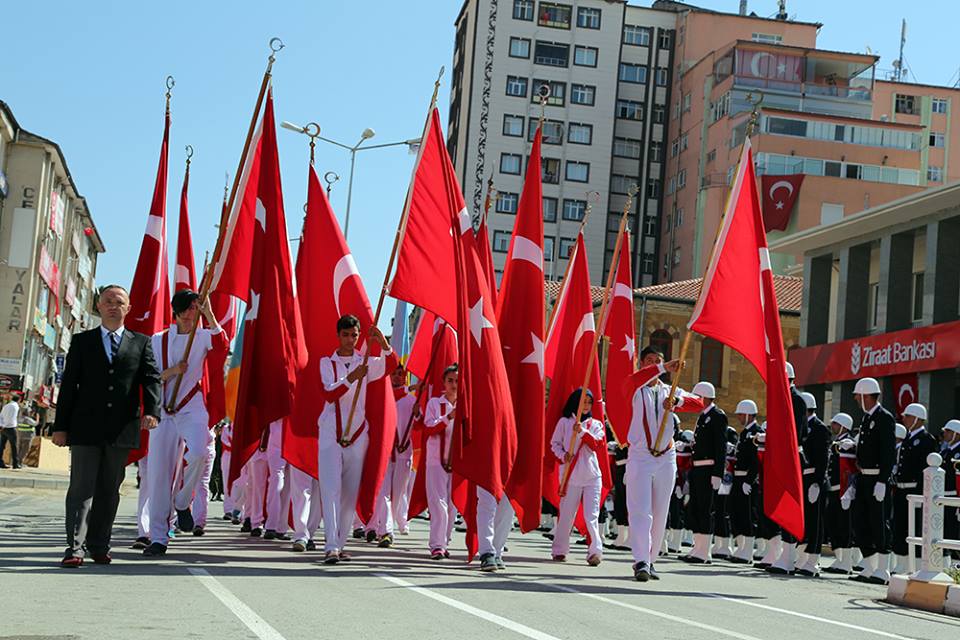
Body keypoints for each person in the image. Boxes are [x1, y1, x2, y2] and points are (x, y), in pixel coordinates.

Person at [52, 285, 162, 567]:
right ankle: (75, 548)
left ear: (129, 308)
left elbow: (150, 378)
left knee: (109, 490)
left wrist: (152, 411)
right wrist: (60, 427)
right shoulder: (82, 341)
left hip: (121, 428)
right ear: (98, 306)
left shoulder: (141, 342)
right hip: (85, 427)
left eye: (119, 302)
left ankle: (99, 545)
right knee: (81, 489)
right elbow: (69, 388)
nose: (113, 306)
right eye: (108, 301)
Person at [142, 290, 226, 556]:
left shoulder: (201, 337)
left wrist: (209, 313)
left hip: (192, 406)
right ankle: (158, 537)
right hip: (163, 412)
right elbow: (149, 376)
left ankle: (182, 501)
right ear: (177, 311)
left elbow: (221, 344)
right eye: (189, 308)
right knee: (159, 474)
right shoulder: (158, 340)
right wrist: (172, 372)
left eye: (195, 308)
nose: (192, 313)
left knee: (201, 451)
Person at [318, 315, 396, 564]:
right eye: (346, 335)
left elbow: (392, 365)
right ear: (338, 335)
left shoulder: (367, 361)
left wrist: (382, 342)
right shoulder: (326, 363)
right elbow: (329, 393)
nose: (350, 340)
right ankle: (330, 545)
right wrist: (352, 378)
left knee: (349, 493)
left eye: (354, 335)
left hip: (358, 433)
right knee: (330, 489)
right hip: (331, 432)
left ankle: (340, 544)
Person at [619, 347, 690, 581]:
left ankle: (651, 560)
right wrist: (663, 366)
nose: (654, 365)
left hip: (666, 457)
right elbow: (633, 379)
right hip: (640, 455)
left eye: (657, 361)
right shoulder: (634, 388)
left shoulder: (670, 390)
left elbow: (698, 403)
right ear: (641, 363)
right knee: (641, 511)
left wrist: (677, 401)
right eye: (649, 361)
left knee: (660, 512)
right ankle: (640, 560)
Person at [550, 388, 606, 567]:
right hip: (570, 475)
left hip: (592, 476)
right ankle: (559, 549)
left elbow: (597, 444)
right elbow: (554, 444)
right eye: (583, 402)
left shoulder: (596, 424)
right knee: (567, 514)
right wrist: (562, 454)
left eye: (589, 403)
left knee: (592, 515)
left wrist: (582, 432)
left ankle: (595, 551)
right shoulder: (564, 422)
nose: (587, 406)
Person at [849, 377, 897, 585]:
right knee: (860, 521)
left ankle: (883, 569)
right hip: (864, 478)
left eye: (858, 396)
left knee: (879, 523)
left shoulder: (884, 417)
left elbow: (887, 452)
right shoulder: (867, 418)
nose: (856, 400)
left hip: (877, 478)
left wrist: (883, 480)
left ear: (865, 395)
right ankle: (869, 565)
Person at [680, 381, 727, 564]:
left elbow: (720, 447)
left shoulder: (717, 416)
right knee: (697, 508)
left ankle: (704, 551)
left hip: (708, 469)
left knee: (706, 509)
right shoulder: (703, 416)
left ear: (704, 398)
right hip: (698, 468)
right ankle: (697, 548)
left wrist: (717, 474)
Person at [890, 404, 937, 574]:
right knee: (900, 527)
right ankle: (901, 563)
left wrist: (921, 493)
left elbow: (923, 469)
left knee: (916, 528)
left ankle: (916, 566)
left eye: (908, 416)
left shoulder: (926, 439)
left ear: (918, 418)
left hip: (916, 490)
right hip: (901, 490)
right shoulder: (908, 438)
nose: (905, 419)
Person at [422, 364, 458, 560]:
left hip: (458, 463)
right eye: (450, 380)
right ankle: (436, 544)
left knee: (452, 505)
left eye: (457, 381)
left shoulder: (466, 405)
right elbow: (428, 429)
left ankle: (445, 540)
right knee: (438, 504)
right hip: (436, 461)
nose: (453, 385)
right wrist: (448, 417)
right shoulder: (435, 404)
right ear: (444, 383)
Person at [793, 392, 831, 577]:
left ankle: (812, 560)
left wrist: (816, 483)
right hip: (803, 478)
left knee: (815, 521)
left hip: (815, 479)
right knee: (806, 520)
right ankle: (802, 558)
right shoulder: (803, 427)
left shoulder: (819, 428)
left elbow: (823, 459)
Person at [823, 413, 857, 574]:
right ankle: (839, 558)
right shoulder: (836, 442)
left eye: (835, 424)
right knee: (832, 523)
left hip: (843, 490)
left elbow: (849, 469)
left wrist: (848, 493)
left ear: (843, 425)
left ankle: (847, 561)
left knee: (844, 525)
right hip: (833, 488)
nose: (833, 426)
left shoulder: (848, 441)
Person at [729, 400, 761, 564]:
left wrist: (749, 480)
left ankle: (747, 551)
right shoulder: (744, 433)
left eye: (741, 414)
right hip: (738, 477)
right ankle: (741, 547)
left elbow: (757, 460)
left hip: (748, 479)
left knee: (748, 515)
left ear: (749, 414)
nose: (739, 417)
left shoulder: (756, 432)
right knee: (737, 513)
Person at [941, 420, 960, 558]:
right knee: (944, 531)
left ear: (957, 434)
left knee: (953, 532)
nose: (945, 434)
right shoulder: (946, 451)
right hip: (943, 496)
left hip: (954, 496)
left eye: (948, 431)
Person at [0, 392, 20, 469]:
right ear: (19, 400)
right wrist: (5, 425)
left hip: (3, 428)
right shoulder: (15, 406)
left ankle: (0, 462)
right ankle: (15, 464)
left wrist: (2, 425)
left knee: (2, 446)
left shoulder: (6, 406)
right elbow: (11, 418)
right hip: (11, 428)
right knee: (14, 446)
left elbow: (1, 416)